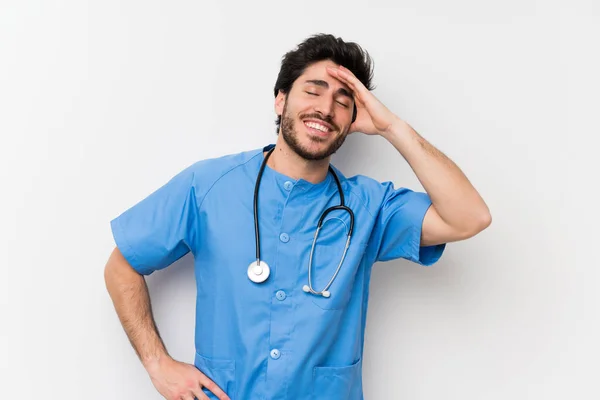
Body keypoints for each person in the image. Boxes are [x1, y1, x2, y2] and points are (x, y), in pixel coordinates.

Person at [104, 33, 491, 400]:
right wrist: (157, 364)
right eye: (313, 90)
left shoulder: (370, 206)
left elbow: (469, 217)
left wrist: (393, 127)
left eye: (344, 100)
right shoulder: (207, 186)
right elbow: (122, 265)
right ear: (280, 100)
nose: (325, 108)